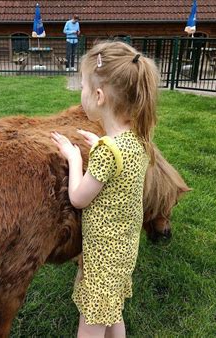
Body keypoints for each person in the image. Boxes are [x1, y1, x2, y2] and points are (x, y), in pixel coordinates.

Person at [51, 41, 159, 338]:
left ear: (99, 97)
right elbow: (119, 167)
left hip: (103, 256)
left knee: (92, 324)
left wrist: (74, 158)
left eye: (83, 86)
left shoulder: (108, 152)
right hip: (123, 251)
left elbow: (79, 197)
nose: (81, 92)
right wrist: (100, 143)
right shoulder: (138, 140)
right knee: (113, 312)